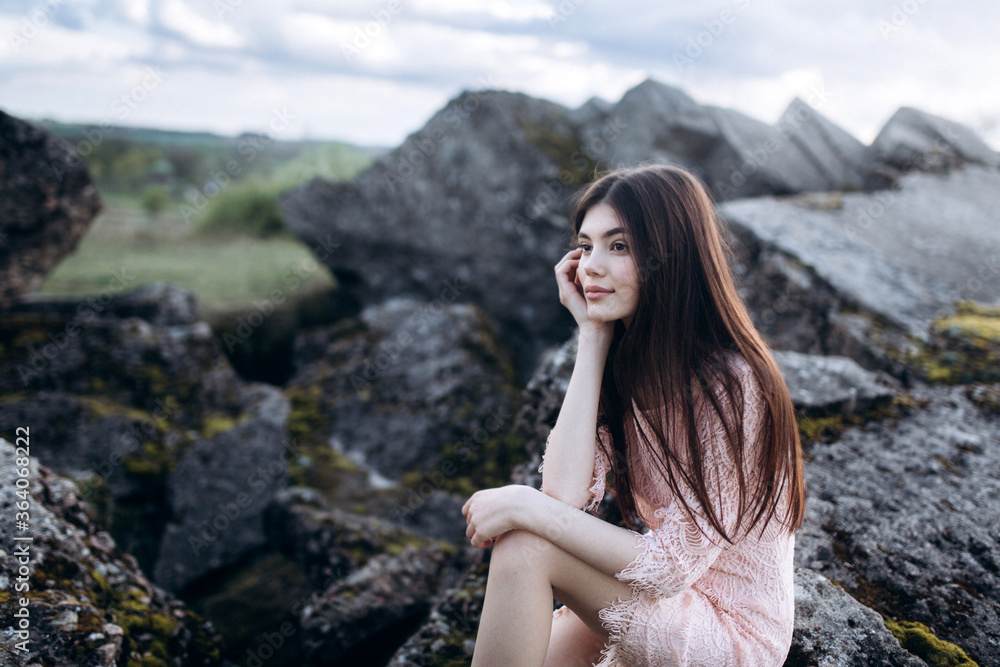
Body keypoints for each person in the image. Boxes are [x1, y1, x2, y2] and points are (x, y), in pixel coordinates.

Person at [460, 163, 805, 666]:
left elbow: (671, 566)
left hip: (730, 637)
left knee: (524, 547)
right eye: (586, 245)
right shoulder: (629, 365)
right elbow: (564, 497)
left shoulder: (734, 385)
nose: (591, 266)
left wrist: (523, 505)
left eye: (618, 246)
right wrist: (593, 335)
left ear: (672, 256)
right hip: (657, 603)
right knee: (527, 547)